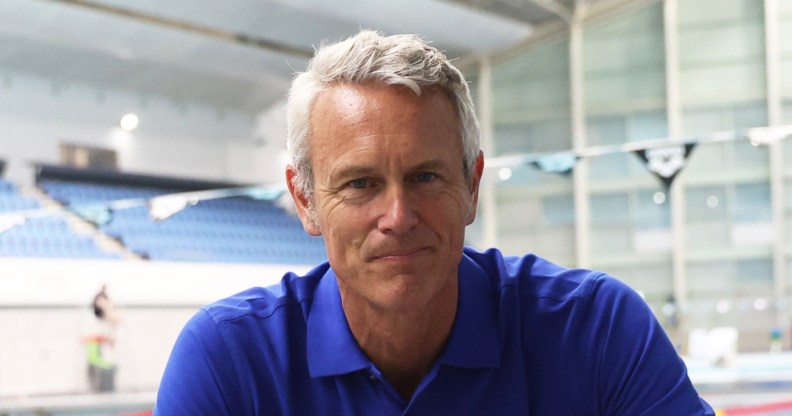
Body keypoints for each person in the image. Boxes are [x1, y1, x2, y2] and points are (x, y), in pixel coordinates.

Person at [154, 30, 714, 415]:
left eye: (425, 178)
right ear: (305, 201)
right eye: (360, 184)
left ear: (471, 185)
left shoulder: (595, 329)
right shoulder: (230, 359)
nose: (397, 217)